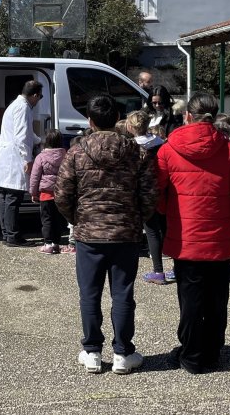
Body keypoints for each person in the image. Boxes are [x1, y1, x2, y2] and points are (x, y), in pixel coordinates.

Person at [54, 95, 157, 375]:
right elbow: (149, 195)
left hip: (89, 234)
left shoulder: (76, 152)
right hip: (125, 232)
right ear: (117, 120)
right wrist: (136, 220)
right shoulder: (137, 153)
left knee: (90, 294)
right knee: (123, 294)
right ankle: (123, 353)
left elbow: (61, 194)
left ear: (90, 121)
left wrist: (76, 219)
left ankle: (92, 352)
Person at [156, 93, 230, 373]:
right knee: (217, 297)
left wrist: (168, 210)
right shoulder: (229, 149)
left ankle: (192, 352)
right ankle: (211, 351)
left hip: (185, 234)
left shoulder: (168, 149)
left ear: (187, 116)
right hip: (219, 234)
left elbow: (158, 190)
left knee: (190, 296)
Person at [0, 80, 43, 247]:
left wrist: (40, 140)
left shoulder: (16, 105)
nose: (39, 100)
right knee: (13, 197)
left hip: (8, 156)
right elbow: (21, 135)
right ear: (34, 95)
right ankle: (13, 235)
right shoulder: (23, 107)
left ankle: (7, 234)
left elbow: (26, 132)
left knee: (5, 197)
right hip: (14, 157)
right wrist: (27, 158)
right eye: (40, 97)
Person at [126, 110, 171, 285]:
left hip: (143, 192)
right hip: (162, 189)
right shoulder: (160, 143)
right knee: (167, 229)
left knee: (151, 231)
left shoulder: (130, 146)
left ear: (130, 127)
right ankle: (176, 267)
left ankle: (158, 271)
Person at [29, 129, 67, 255]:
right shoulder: (65, 155)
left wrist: (33, 193)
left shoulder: (41, 157)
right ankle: (56, 243)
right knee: (58, 220)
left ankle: (48, 243)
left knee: (47, 219)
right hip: (61, 194)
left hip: (46, 194)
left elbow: (35, 176)